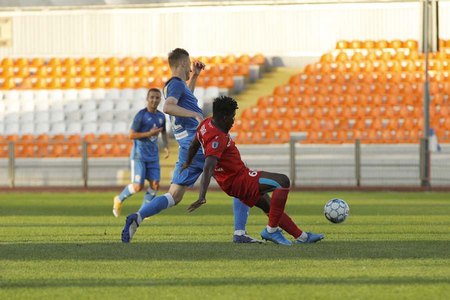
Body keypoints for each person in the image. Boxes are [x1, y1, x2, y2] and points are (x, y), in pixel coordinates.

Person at [121, 48, 260, 243]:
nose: (189, 70)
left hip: (188, 147)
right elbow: (168, 106)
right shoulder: (176, 84)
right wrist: (195, 115)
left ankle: (138, 217)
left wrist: (195, 76)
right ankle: (240, 233)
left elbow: (181, 101)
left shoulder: (176, 86)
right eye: (188, 66)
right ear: (181, 64)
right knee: (241, 180)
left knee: (174, 196)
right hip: (200, 143)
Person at [184, 95, 324, 245]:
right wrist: (202, 196)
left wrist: (187, 162)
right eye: (232, 117)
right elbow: (208, 166)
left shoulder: (205, 124)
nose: (233, 121)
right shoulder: (218, 138)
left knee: (270, 207)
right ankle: (271, 231)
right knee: (283, 181)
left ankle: (302, 237)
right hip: (239, 180)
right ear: (224, 118)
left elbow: (194, 144)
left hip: (233, 180)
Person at [113, 88, 169, 217]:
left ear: (160, 99)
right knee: (138, 186)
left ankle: (142, 213)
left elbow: (164, 131)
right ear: (147, 99)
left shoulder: (161, 116)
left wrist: (166, 145)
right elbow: (131, 135)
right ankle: (119, 199)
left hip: (153, 156)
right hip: (139, 155)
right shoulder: (141, 115)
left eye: (157, 97)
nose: (154, 100)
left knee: (155, 185)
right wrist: (149, 133)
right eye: (152, 97)